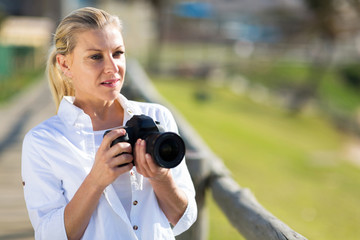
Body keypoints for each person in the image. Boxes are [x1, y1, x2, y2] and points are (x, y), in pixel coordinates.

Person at [21, 7, 197, 240]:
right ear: (65, 65)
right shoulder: (42, 141)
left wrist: (161, 178)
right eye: (95, 56)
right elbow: (49, 235)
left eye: (117, 53)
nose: (112, 68)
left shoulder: (158, 118)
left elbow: (183, 218)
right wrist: (96, 181)